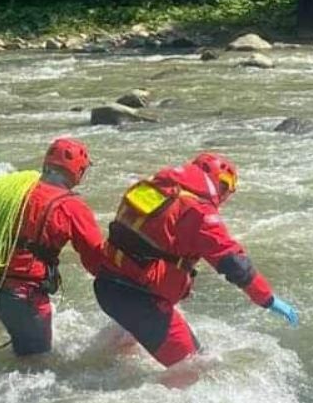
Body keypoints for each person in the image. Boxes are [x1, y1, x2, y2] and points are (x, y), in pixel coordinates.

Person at [93, 153, 299, 368]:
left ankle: (100, 374)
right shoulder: (198, 211)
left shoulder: (156, 189)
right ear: (214, 179)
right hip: (141, 300)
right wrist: (267, 299)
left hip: (107, 286)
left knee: (126, 342)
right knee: (196, 368)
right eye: (225, 185)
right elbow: (233, 262)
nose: (225, 194)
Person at [0, 137, 106, 356]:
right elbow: (96, 258)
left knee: (9, 314)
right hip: (24, 297)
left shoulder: (11, 190)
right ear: (78, 171)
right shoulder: (71, 207)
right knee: (36, 365)